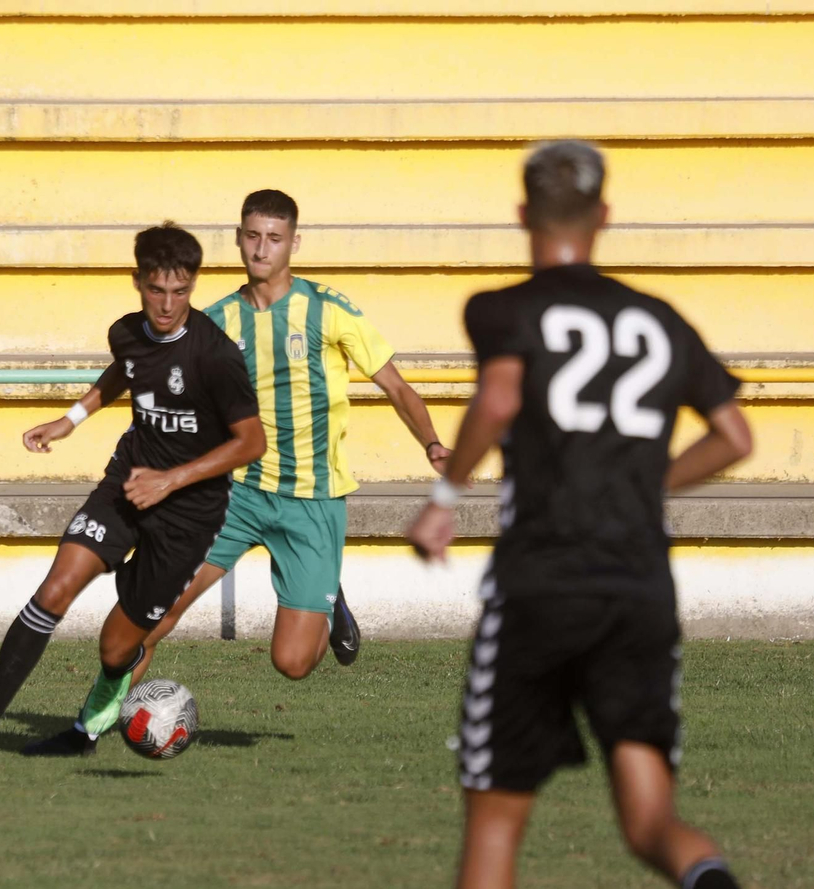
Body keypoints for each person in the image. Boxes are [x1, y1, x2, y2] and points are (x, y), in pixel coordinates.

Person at [406, 141, 754, 889]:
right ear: (604, 216)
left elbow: (500, 397)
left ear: (523, 214)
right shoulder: (660, 319)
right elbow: (734, 437)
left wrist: (444, 499)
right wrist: (647, 484)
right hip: (638, 588)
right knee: (650, 823)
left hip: (542, 583)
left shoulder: (501, 308)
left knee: (496, 822)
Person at [0, 223, 264, 764]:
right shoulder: (126, 332)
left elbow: (251, 442)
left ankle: (93, 716)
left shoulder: (215, 356)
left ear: (193, 284)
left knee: (116, 648)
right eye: (156, 290)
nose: (168, 304)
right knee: (55, 590)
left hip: (188, 515)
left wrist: (171, 480)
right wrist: (71, 418)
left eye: (180, 291)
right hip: (125, 485)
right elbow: (126, 370)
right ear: (137, 281)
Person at [132, 189, 451, 683]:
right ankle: (97, 718)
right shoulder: (214, 321)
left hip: (311, 499)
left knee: (293, 662)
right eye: (253, 236)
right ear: (238, 239)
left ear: (293, 243)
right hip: (235, 493)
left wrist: (431, 443)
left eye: (274, 238)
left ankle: (328, 601)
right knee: (156, 611)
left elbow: (396, 386)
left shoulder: (327, 310)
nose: (262, 249)